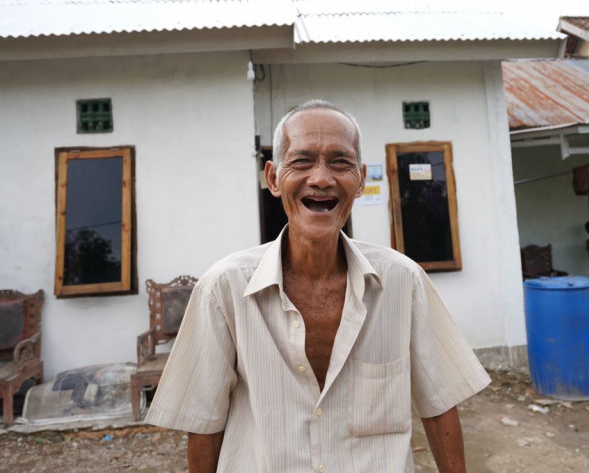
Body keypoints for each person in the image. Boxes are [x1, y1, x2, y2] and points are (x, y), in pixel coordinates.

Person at [145, 100, 490, 472]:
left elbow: (440, 405)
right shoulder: (223, 289)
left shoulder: (403, 282)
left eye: (340, 162)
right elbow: (204, 425)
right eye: (302, 161)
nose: (322, 179)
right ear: (273, 178)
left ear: (360, 180)